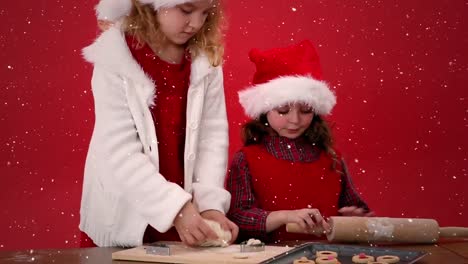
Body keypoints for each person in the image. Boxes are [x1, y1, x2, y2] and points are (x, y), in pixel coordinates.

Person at [80, 0, 238, 247]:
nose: (196, 24)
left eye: (206, 13)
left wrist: (209, 206)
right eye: (186, 10)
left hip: (187, 218)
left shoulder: (205, 59)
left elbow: (212, 138)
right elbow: (120, 151)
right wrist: (175, 208)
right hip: (123, 214)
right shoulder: (116, 57)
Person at [226, 40, 373, 243]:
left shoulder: (331, 158)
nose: (295, 120)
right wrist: (285, 216)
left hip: (326, 256)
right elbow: (237, 218)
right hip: (271, 257)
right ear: (264, 111)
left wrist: (355, 219)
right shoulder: (247, 159)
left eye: (305, 110)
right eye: (283, 111)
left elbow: (354, 209)